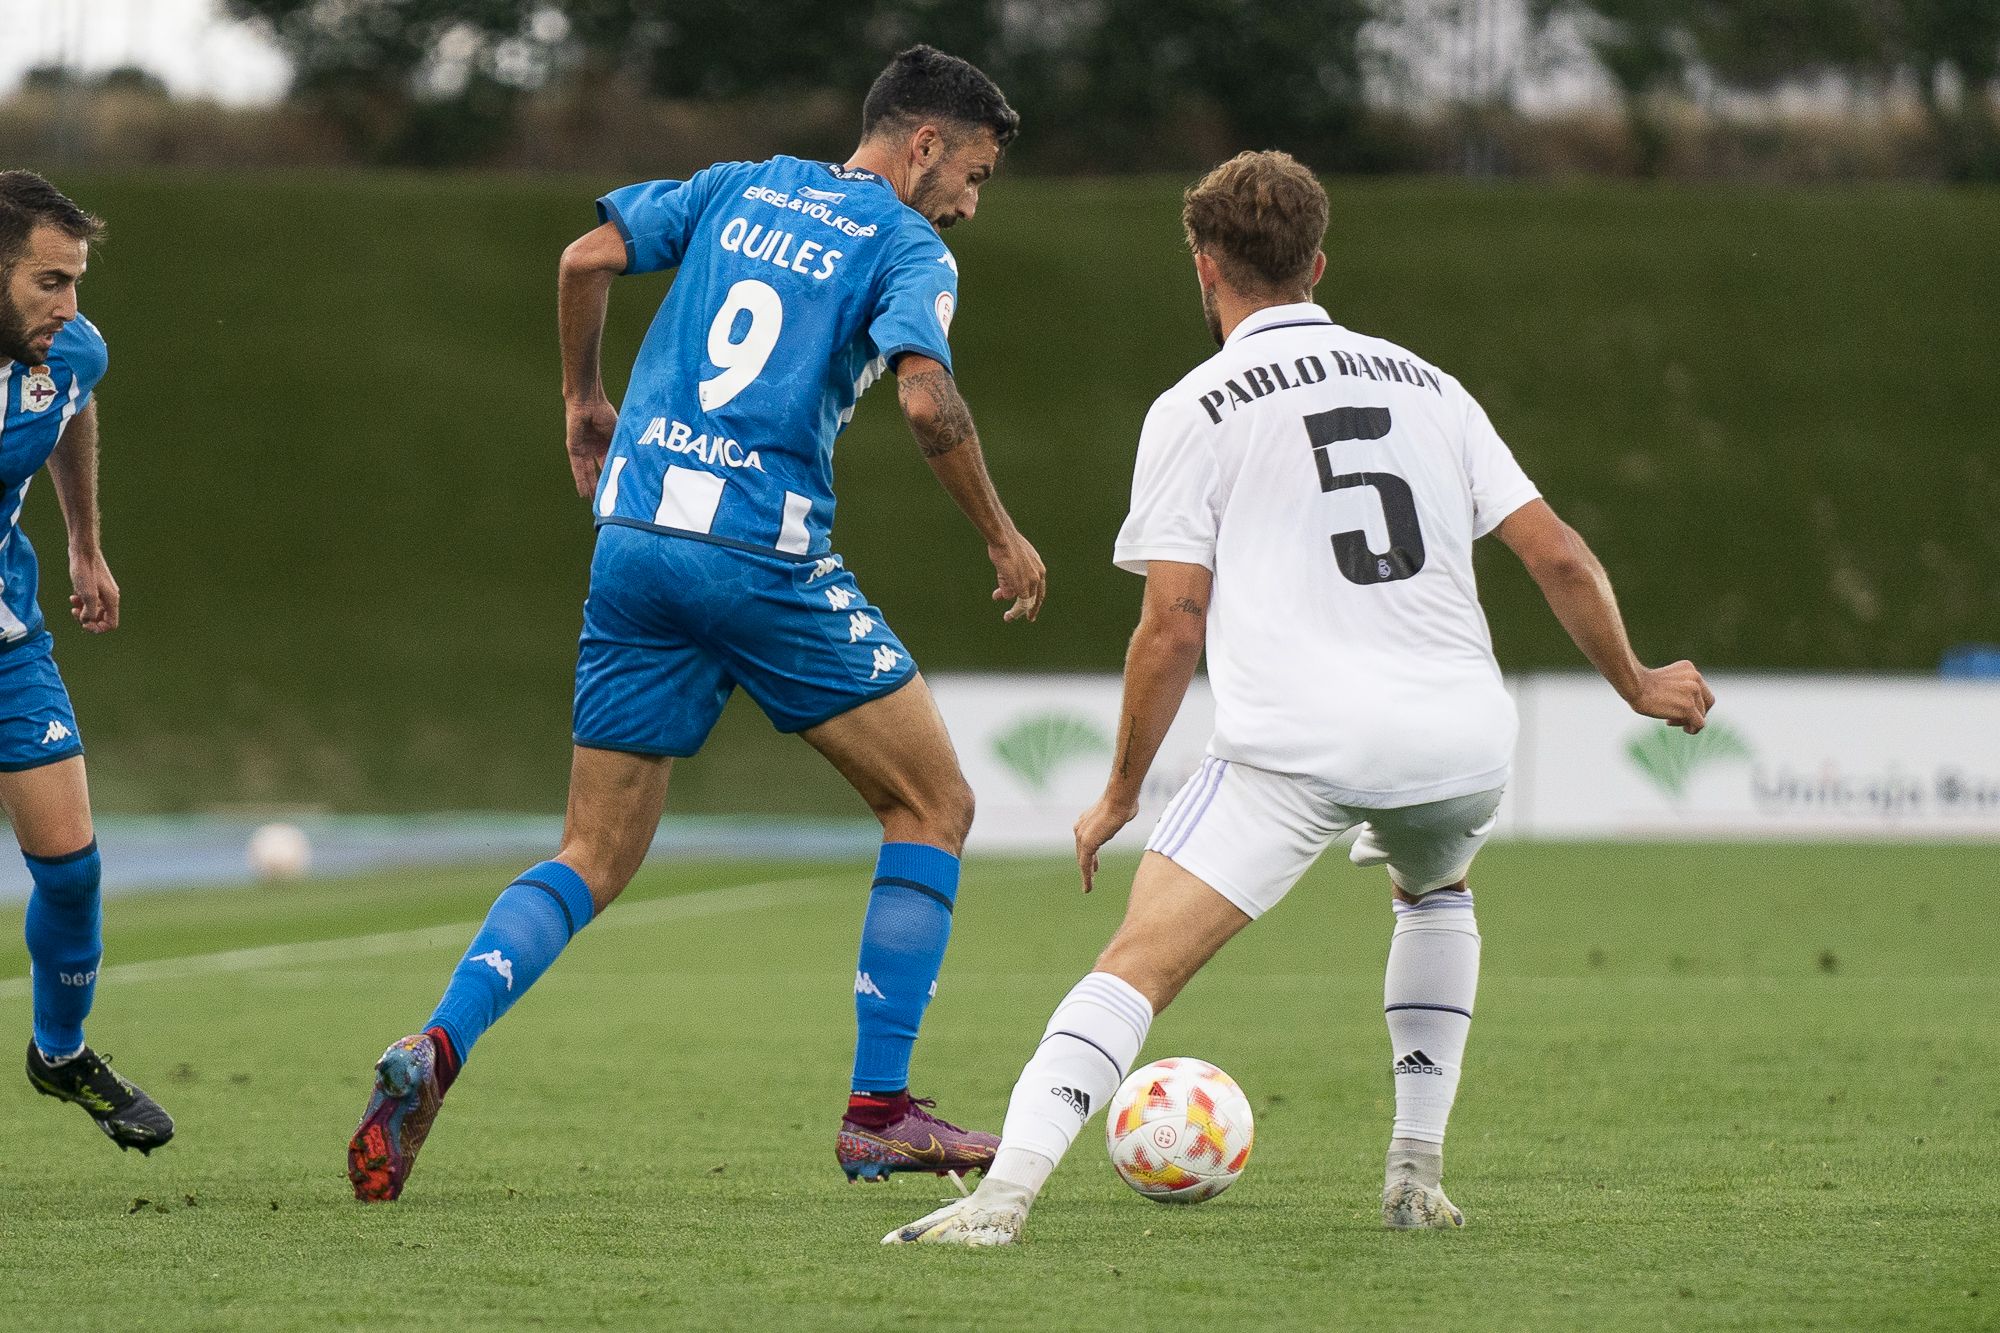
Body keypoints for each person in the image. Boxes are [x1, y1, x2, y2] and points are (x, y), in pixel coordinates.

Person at [886, 150, 1711, 1246]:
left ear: (1202, 268)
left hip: (1299, 745)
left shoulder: (1193, 406)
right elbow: (1555, 554)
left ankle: (1002, 1198)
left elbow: (1173, 623)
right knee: (1434, 889)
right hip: (1462, 740)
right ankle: (1413, 1173)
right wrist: (1636, 679)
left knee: (1134, 965)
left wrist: (1122, 787)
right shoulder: (1429, 385)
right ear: (1318, 263)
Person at [349, 46, 1045, 1201]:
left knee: (592, 851)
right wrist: (999, 533)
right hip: (755, 558)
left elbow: (584, 256)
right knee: (933, 802)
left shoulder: (736, 183)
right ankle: (879, 1111)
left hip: (631, 543)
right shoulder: (903, 243)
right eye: (971, 172)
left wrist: (583, 401)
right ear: (921, 145)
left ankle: (436, 1044)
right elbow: (925, 394)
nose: (969, 203)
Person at [0, 171, 172, 1154]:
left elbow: (74, 405)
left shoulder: (70, 354)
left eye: (75, 281)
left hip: (7, 639)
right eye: (46, 283)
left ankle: (58, 1054)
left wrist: (84, 542)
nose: (68, 307)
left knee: (71, 870)